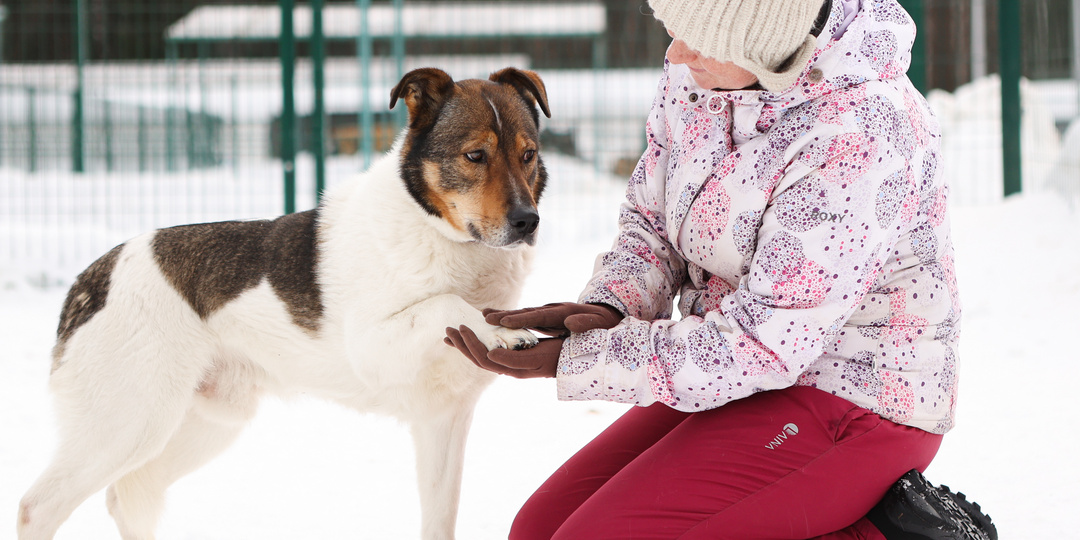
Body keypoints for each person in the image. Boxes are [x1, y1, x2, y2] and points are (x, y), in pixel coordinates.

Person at [445, 0, 998, 538]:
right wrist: (611, 305)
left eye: (700, 38)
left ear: (762, 46)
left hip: (856, 401)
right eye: (674, 27)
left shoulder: (860, 132)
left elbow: (766, 343)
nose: (677, 51)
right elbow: (653, 219)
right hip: (732, 375)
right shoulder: (703, 75)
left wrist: (591, 357)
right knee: (537, 530)